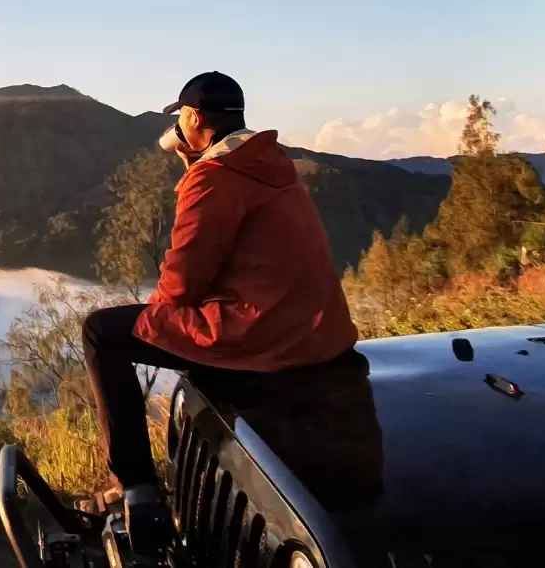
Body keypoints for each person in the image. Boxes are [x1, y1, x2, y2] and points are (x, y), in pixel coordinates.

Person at [82, 70, 359, 548]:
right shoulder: (272, 162)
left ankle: (137, 489)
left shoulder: (214, 177)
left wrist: (160, 316)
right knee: (159, 326)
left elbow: (182, 283)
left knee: (102, 333)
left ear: (192, 118)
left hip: (261, 335)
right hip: (319, 332)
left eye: (181, 120)